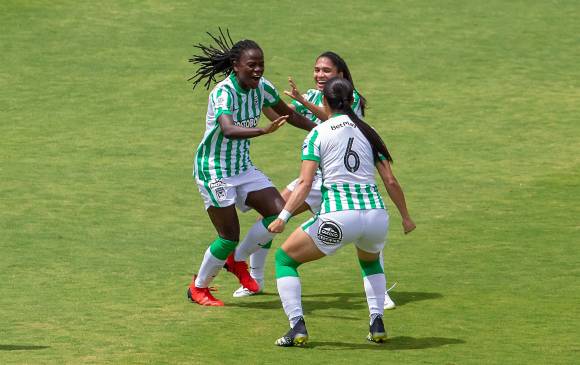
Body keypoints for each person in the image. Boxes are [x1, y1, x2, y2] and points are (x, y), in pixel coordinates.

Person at [230, 52, 398, 310]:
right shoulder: (310, 95)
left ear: (340, 75)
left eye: (326, 70)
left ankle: (380, 294)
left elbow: (335, 120)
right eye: (317, 69)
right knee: (271, 215)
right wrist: (258, 95)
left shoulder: (349, 97)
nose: (320, 75)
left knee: (366, 235)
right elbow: (282, 113)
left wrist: (302, 102)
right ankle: (254, 278)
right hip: (315, 178)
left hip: (341, 181)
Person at [267, 77, 415, 346]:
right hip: (376, 216)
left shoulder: (318, 134)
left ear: (325, 101)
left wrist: (282, 217)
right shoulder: (369, 131)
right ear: (351, 100)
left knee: (285, 260)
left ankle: (297, 327)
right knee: (370, 262)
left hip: (339, 217)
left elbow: (305, 183)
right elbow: (390, 180)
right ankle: (377, 322)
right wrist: (406, 216)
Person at [186, 29, 316, 306]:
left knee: (279, 211)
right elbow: (228, 129)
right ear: (236, 66)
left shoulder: (263, 87)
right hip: (214, 171)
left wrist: (321, 128)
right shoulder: (223, 93)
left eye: (261, 65)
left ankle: (236, 261)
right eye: (251, 65)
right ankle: (198, 288)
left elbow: (287, 114)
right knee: (228, 236)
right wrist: (262, 130)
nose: (257, 70)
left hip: (242, 167)